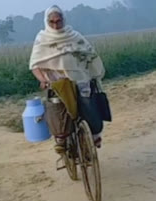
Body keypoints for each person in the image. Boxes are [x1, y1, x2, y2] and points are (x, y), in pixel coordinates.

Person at [29, 5, 106, 153]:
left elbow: (89, 55)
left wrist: (93, 74)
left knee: (88, 104)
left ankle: (94, 134)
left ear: (64, 19)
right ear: (47, 22)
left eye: (59, 21)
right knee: (58, 109)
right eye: (52, 22)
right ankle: (61, 139)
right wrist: (43, 80)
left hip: (80, 79)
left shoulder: (74, 36)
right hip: (57, 84)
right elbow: (35, 65)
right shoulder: (42, 39)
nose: (56, 25)